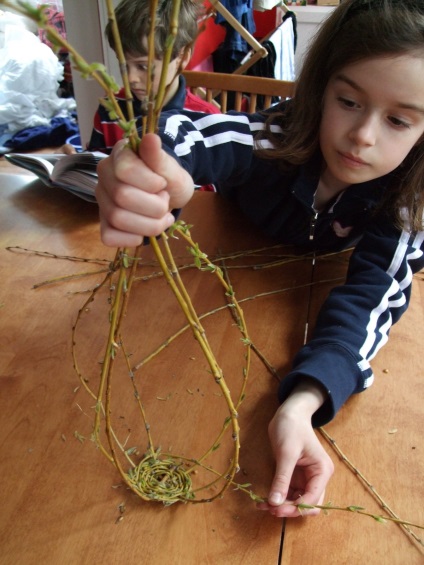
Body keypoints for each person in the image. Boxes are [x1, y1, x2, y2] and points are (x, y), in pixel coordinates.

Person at [95, 0, 424, 518]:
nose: (363, 136)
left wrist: (305, 400)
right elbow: (195, 135)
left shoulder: (408, 204)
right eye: (349, 101)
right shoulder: (272, 140)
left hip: (277, 317)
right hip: (214, 282)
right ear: (320, 89)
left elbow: (371, 300)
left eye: (401, 120)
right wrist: (153, 167)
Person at [61, 0, 220, 156]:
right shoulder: (111, 110)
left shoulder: (207, 120)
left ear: (182, 57)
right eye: (124, 66)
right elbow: (97, 168)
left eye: (143, 66)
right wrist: (77, 166)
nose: (130, 78)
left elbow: (216, 182)